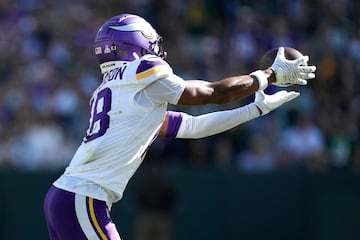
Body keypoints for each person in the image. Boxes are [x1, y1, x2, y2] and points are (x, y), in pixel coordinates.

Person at [43, 13, 316, 240]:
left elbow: (193, 127)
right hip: (84, 196)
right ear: (137, 43)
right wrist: (269, 75)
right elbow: (212, 92)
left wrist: (254, 108)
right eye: (150, 41)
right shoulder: (142, 71)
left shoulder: (115, 90)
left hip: (66, 195)